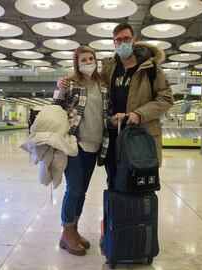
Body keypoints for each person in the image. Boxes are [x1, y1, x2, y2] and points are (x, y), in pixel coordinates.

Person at [58, 22, 174, 187]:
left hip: (140, 135)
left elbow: (166, 98)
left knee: (138, 183)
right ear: (114, 43)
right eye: (118, 40)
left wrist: (139, 114)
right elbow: (89, 82)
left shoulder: (151, 67)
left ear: (133, 40)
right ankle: (113, 213)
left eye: (126, 39)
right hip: (113, 136)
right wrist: (66, 80)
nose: (122, 43)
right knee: (114, 181)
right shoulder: (109, 67)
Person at [52, 45, 111, 256]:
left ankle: (74, 231)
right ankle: (66, 232)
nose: (88, 63)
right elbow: (55, 107)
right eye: (83, 60)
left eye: (91, 59)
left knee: (82, 192)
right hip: (74, 144)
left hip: (95, 145)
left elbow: (106, 113)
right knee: (74, 190)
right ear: (77, 63)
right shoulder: (71, 83)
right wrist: (59, 87)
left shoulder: (103, 85)